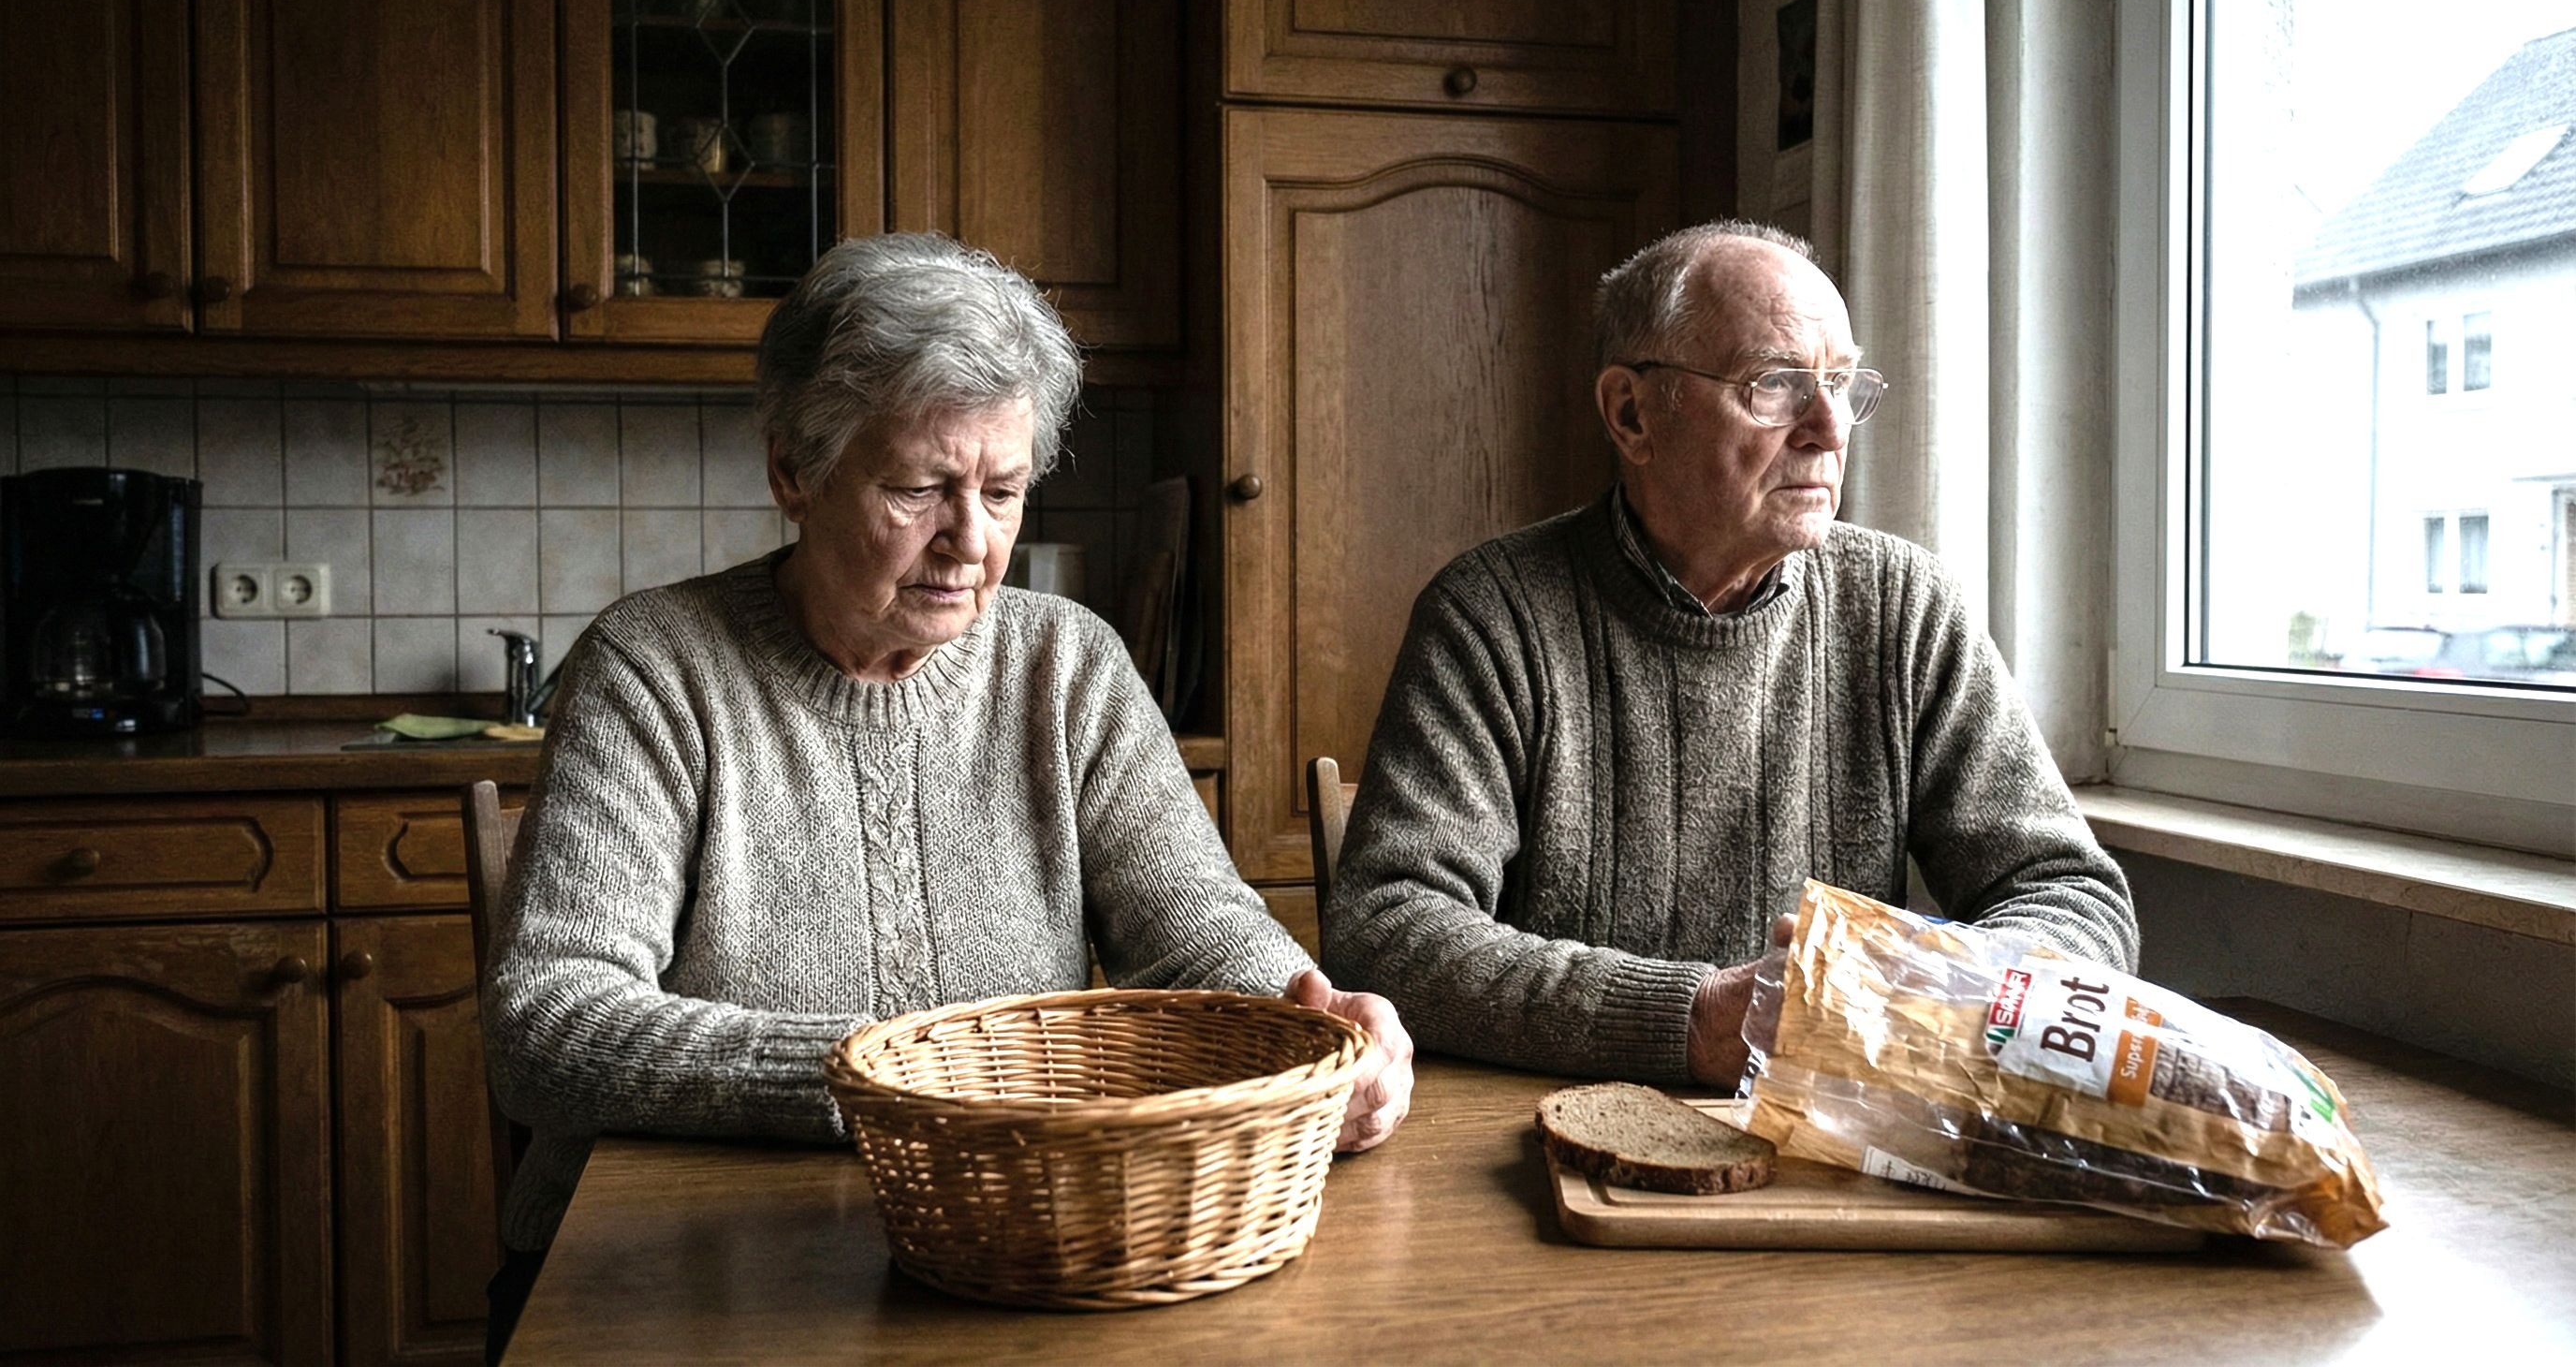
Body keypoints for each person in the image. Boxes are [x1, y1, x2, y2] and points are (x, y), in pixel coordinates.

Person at [480, 233, 1412, 1358]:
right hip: (697, 1271)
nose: (971, 544)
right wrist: (885, 1086)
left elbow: (1196, 931)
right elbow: (547, 1024)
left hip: (1024, 1259)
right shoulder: (656, 667)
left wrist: (1306, 1012)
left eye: (1004, 490)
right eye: (918, 487)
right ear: (794, 471)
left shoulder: (1067, 665)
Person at [1320, 219, 2133, 1092]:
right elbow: (1385, 929)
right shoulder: (1492, 615)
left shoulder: (1905, 608)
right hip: (1541, 1136)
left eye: (1842, 382)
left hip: (1828, 1143)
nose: (1829, 427)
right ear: (1632, 414)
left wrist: (1923, 984)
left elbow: (2075, 897)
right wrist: (1693, 1019)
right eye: (1776, 384)